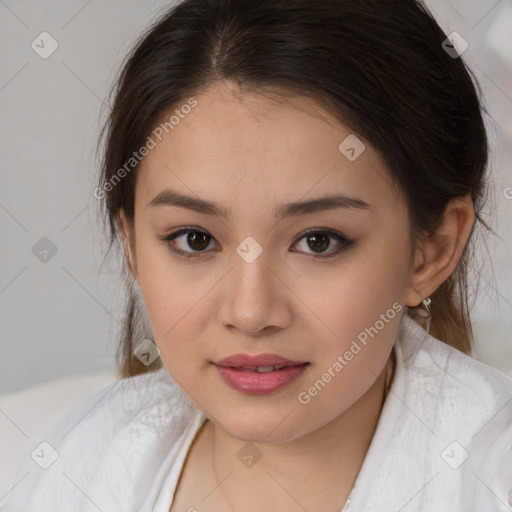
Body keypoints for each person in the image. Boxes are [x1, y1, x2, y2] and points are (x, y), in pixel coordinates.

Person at [2, 0, 512, 510]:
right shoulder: (72, 468)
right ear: (132, 245)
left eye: (318, 241)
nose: (249, 313)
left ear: (432, 251)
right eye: (194, 239)